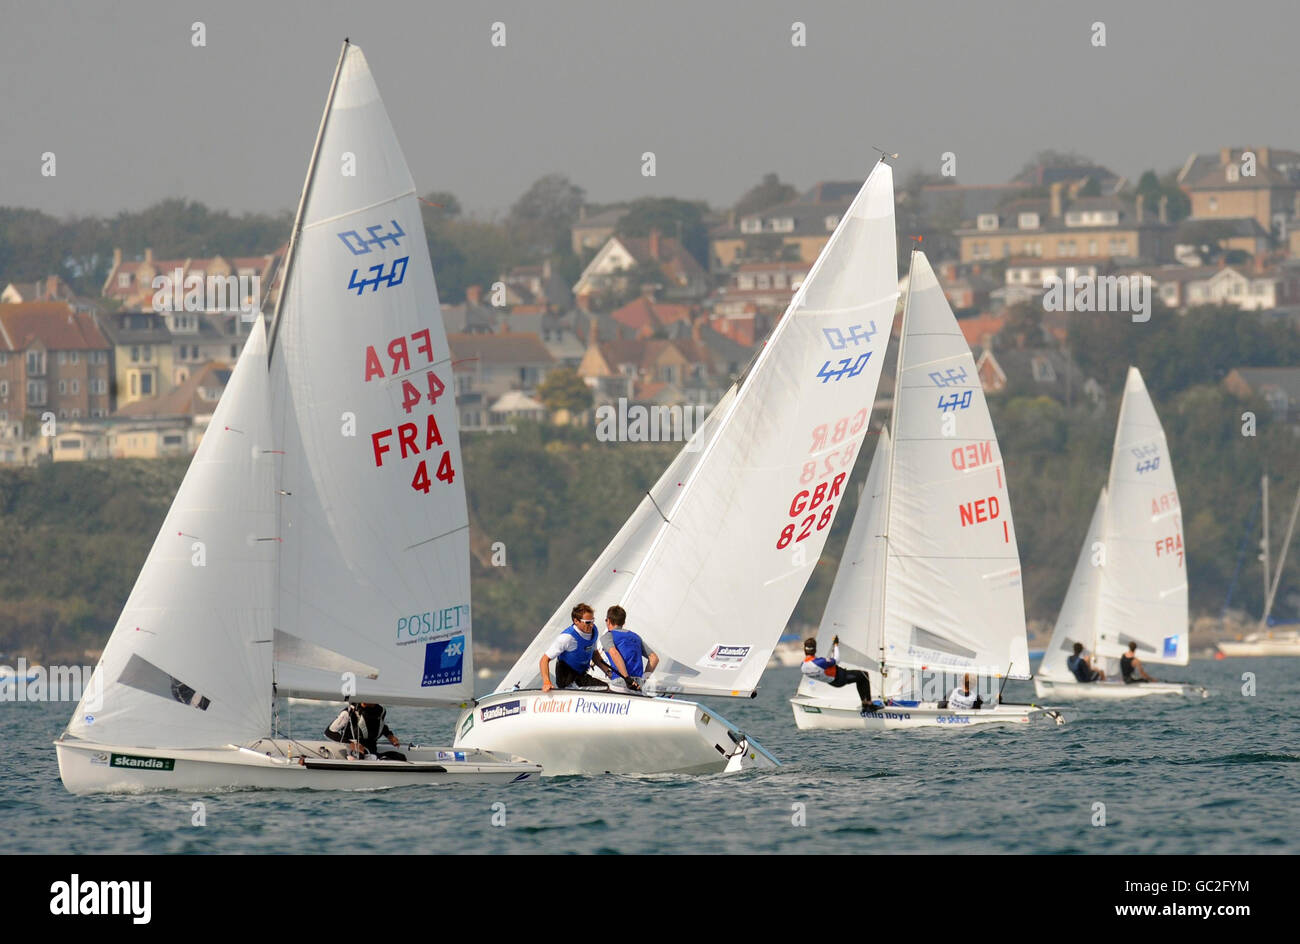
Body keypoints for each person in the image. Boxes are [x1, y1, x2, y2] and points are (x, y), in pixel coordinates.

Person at [539, 603, 614, 692]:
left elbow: (594, 654)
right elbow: (544, 660)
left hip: (582, 677)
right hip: (568, 680)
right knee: (607, 690)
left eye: (593, 621)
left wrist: (609, 672)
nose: (591, 625)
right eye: (588, 622)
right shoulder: (567, 638)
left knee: (612, 687)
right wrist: (547, 682)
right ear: (576, 621)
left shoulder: (594, 631)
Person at [801, 636, 880, 714]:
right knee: (864, 675)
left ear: (805, 650)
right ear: (815, 650)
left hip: (833, 682)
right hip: (841, 677)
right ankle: (869, 704)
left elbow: (819, 665)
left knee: (860, 678)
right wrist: (836, 645)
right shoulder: (820, 662)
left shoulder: (803, 667)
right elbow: (837, 660)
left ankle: (865, 704)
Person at [598, 605, 658, 693]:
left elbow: (614, 653)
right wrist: (643, 680)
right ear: (623, 622)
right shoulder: (636, 637)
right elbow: (654, 658)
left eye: (606, 620)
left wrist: (626, 678)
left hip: (622, 681)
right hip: (638, 683)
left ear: (609, 621)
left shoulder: (608, 636)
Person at [325, 701, 405, 760]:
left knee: (401, 757)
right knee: (361, 756)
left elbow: (379, 725)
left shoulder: (380, 711)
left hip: (372, 751)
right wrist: (350, 743)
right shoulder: (349, 712)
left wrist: (390, 736)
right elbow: (329, 732)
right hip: (355, 753)